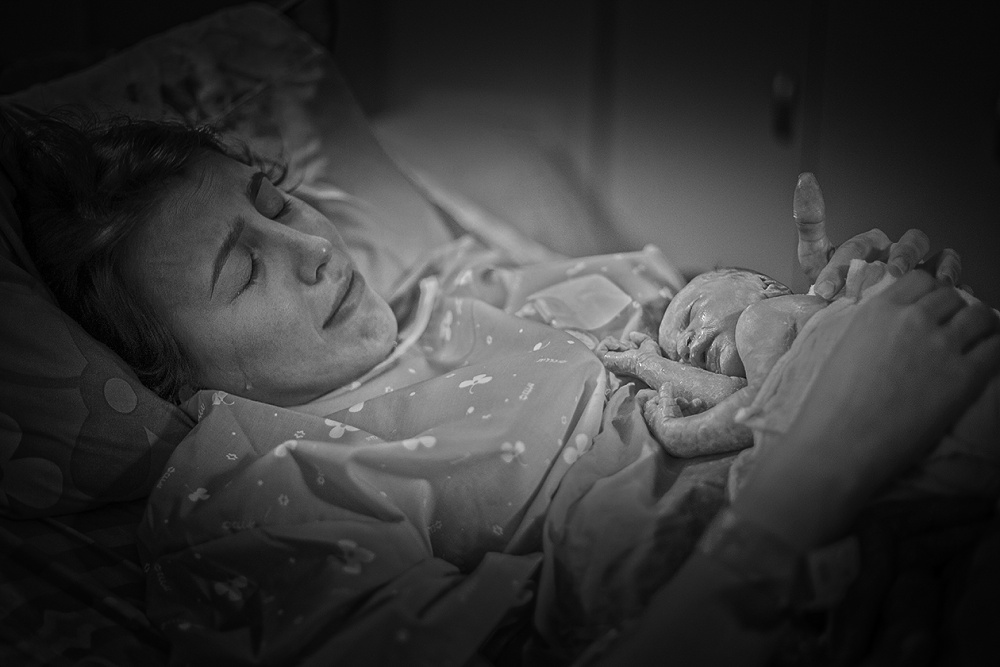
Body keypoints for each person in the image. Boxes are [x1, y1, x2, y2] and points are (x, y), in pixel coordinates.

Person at [4, 108, 999, 665]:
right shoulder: (249, 485)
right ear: (172, 377)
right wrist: (827, 454)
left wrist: (820, 310)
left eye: (278, 202)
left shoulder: (471, 281)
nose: (311, 248)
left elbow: (700, 337)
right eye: (242, 269)